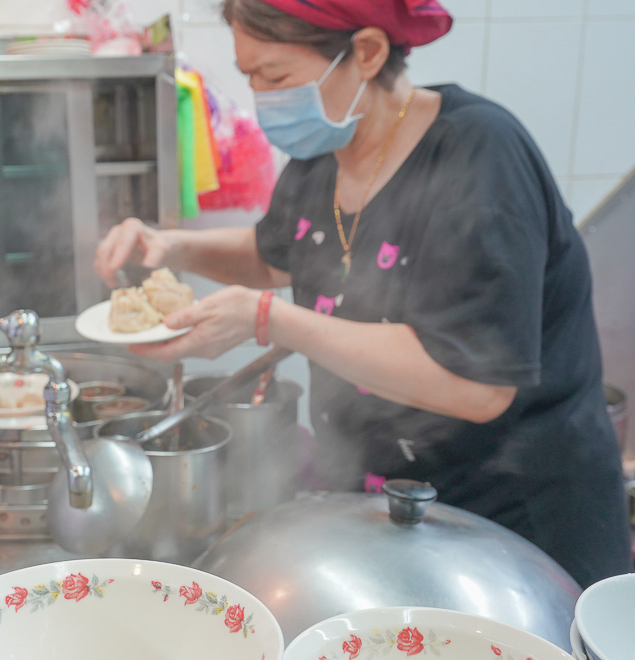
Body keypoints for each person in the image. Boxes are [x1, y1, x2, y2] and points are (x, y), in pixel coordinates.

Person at [93, 0, 632, 588]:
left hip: (517, 522)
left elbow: (477, 387)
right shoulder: (326, 152)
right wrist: (169, 246)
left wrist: (269, 319)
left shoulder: (480, 159)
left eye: (275, 77)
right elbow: (277, 252)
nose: (261, 99)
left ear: (368, 52)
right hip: (388, 508)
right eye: (250, 77)